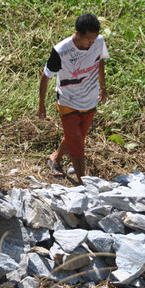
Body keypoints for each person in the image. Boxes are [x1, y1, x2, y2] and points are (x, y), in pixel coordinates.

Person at [37, 13, 109, 185]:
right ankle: (82, 182)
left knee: (77, 137)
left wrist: (104, 87)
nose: (92, 43)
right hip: (67, 101)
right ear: (77, 34)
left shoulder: (98, 42)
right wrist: (41, 104)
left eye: (94, 39)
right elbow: (45, 77)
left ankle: (55, 158)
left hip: (90, 99)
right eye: (88, 40)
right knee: (76, 142)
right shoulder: (61, 51)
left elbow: (99, 61)